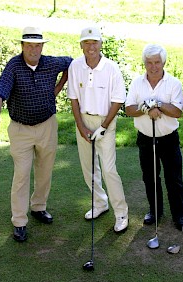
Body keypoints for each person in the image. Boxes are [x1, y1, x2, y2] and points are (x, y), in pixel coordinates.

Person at [0, 26, 73, 242]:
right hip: (20, 129)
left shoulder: (51, 62)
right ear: (22, 46)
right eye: (29, 45)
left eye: (37, 45)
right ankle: (19, 221)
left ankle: (38, 207)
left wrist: (58, 87)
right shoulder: (14, 66)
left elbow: (72, 62)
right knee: (22, 174)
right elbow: (0, 94)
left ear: (42, 46)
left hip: (46, 126)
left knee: (45, 170)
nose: (34, 50)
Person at [67, 26, 129, 233]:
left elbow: (118, 100)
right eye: (87, 42)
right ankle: (99, 203)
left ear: (101, 44)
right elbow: (74, 99)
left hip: (106, 121)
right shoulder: (75, 66)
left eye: (94, 42)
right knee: (88, 168)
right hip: (84, 120)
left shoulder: (111, 68)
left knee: (109, 169)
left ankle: (121, 213)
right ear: (81, 45)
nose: (91, 47)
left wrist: (103, 127)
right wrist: (80, 125)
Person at [125, 44, 183, 231]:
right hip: (145, 137)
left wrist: (158, 104)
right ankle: (155, 211)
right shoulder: (137, 83)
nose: (153, 67)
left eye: (157, 62)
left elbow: (177, 111)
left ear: (163, 62)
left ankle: (179, 215)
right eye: (149, 63)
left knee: (173, 178)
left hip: (168, 138)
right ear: (144, 63)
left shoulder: (174, 83)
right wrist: (146, 108)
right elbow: (129, 109)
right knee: (150, 177)